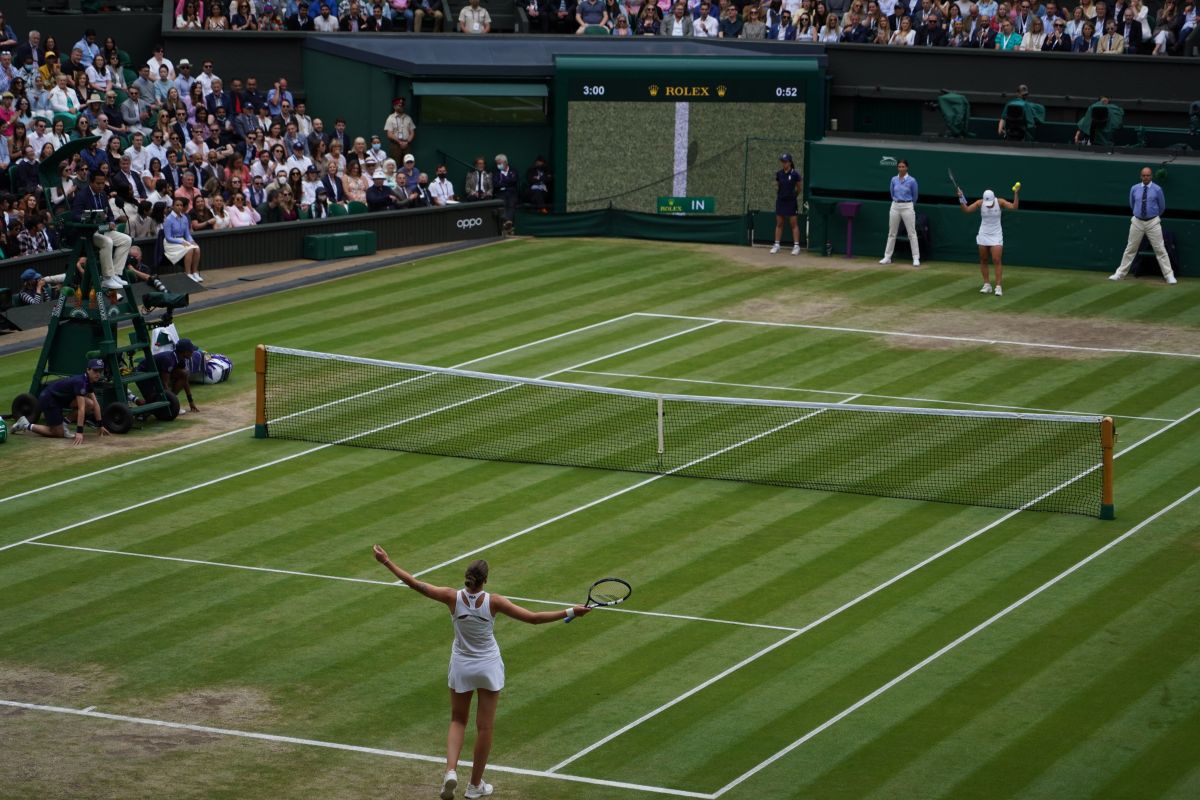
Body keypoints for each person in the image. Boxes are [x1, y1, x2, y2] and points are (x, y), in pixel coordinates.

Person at [371, 547, 590, 800]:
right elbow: (534, 619)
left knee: (457, 720)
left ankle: (450, 771)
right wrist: (572, 612)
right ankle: (475, 786)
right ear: (485, 581)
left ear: (467, 578)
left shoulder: (451, 597)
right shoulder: (494, 601)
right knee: (484, 728)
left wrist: (386, 561)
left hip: (462, 666)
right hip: (487, 667)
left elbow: (414, 583)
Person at [11, 359, 111, 444]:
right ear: (88, 370)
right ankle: (25, 424)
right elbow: (81, 409)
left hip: (61, 399)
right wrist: (79, 432)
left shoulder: (89, 381)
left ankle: (63, 424)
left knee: (90, 404)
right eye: (95, 371)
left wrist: (100, 425)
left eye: (100, 371)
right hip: (49, 399)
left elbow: (96, 405)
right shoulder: (81, 382)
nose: (98, 374)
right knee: (57, 433)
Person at [1109, 167, 1177, 285]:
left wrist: (1152, 216)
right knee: (1130, 248)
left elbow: (1162, 207)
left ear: (1151, 176)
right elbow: (1132, 204)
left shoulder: (1157, 189)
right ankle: (1120, 273)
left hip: (1153, 222)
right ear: (1141, 176)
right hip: (1137, 222)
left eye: (1148, 175)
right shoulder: (1134, 189)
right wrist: (1139, 215)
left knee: (1160, 249)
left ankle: (1169, 275)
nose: (1146, 177)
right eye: (1144, 175)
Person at [73, 170, 132, 290]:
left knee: (126, 239)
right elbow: (75, 216)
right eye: (98, 183)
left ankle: (116, 273)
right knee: (107, 242)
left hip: (103, 228)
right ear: (91, 182)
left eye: (102, 183)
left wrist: (111, 222)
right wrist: (91, 216)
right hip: (88, 232)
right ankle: (107, 278)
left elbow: (110, 214)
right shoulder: (82, 195)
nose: (101, 186)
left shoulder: (103, 194)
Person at [957, 185, 1019, 296]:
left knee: (996, 260)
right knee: (983, 259)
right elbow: (966, 210)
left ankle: (998, 287)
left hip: (996, 235)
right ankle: (987, 285)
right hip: (983, 234)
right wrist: (961, 198)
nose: (989, 206)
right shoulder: (980, 203)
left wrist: (1016, 193)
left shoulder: (1000, 202)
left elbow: (1014, 207)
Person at [136, 337, 199, 414]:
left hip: (156, 372)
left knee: (184, 374)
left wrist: (190, 401)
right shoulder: (168, 359)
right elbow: (164, 383)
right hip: (142, 373)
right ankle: (141, 404)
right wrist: (173, 404)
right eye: (191, 350)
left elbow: (184, 379)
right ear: (185, 352)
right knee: (151, 405)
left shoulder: (181, 359)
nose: (193, 352)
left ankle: (169, 401)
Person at [880, 158, 920, 266]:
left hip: (908, 205)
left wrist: (909, 204)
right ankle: (887, 257)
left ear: (907, 168)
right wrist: (897, 202)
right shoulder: (893, 179)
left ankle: (916, 258)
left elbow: (915, 196)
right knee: (892, 233)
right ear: (897, 168)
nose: (901, 168)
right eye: (899, 166)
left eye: (903, 166)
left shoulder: (912, 180)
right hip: (895, 205)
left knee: (911, 233)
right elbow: (892, 193)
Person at [164, 196, 204, 282]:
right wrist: (181, 241)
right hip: (171, 243)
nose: (179, 207)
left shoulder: (185, 218)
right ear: (173, 206)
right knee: (189, 250)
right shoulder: (168, 219)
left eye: (181, 205)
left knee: (197, 248)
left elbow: (187, 234)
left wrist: (192, 241)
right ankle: (188, 273)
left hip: (182, 241)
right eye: (177, 205)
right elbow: (168, 238)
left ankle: (195, 272)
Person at [771, 153, 802, 256]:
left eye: (785, 161)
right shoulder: (779, 174)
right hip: (780, 201)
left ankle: (796, 246)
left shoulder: (795, 174)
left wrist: (793, 196)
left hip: (791, 202)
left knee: (793, 224)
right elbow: (778, 186)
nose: (783, 163)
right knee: (779, 223)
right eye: (782, 161)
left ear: (789, 162)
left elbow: (799, 189)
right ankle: (776, 245)